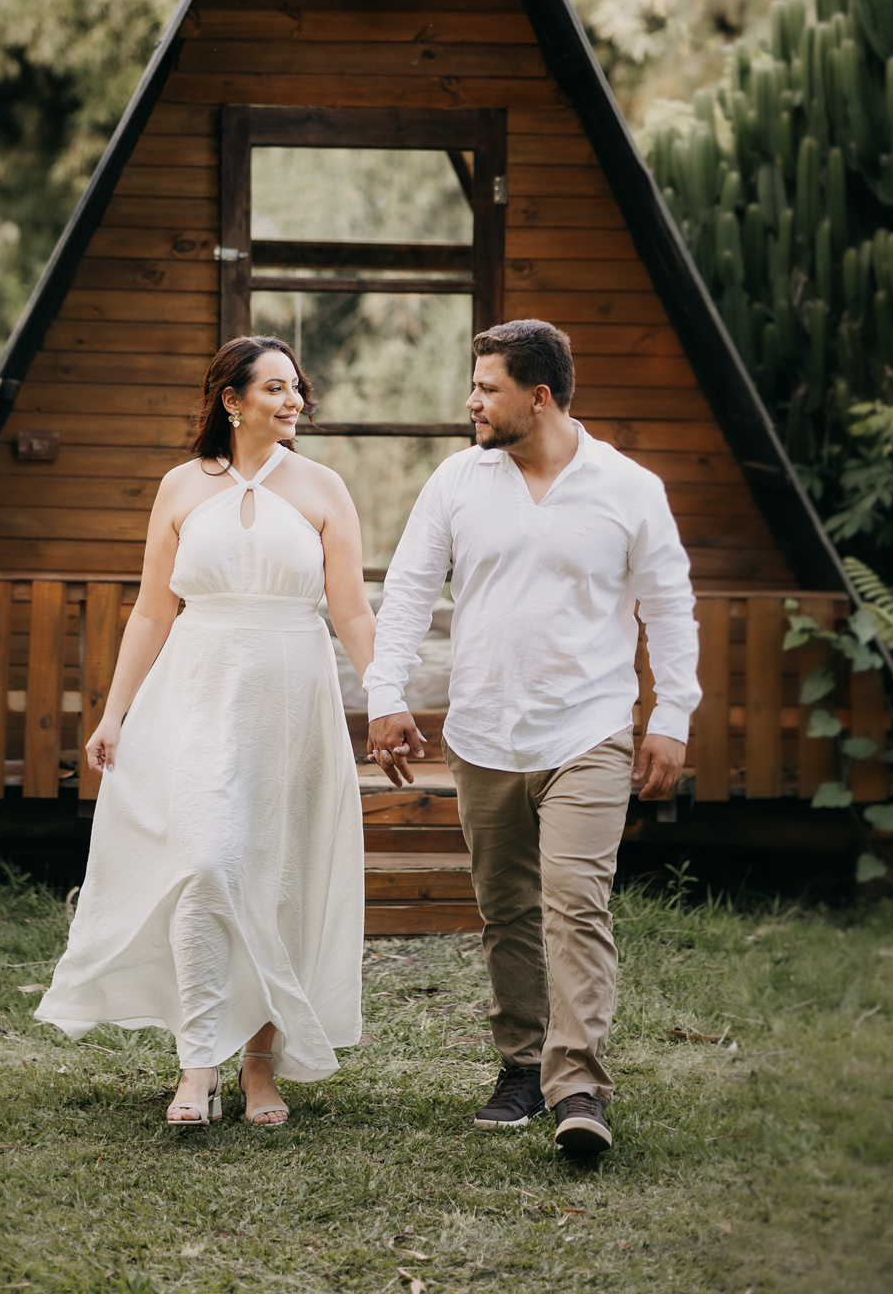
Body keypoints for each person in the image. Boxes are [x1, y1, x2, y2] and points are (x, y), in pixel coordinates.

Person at [365, 319, 700, 1157]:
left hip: (588, 730)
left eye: (487, 388)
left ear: (538, 396)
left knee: (576, 906)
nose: (471, 402)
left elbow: (668, 609)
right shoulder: (457, 481)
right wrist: (385, 696)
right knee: (506, 910)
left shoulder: (629, 488)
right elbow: (408, 592)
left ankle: (577, 1084)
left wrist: (671, 719)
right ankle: (521, 1065)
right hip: (483, 734)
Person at [36, 336, 373, 1128]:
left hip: (292, 699)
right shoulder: (182, 487)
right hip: (195, 693)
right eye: (276, 388)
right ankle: (197, 1063)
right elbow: (154, 610)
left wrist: (384, 701)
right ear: (232, 400)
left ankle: (260, 1065)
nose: (294, 401)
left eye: (297, 388)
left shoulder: (323, 488)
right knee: (205, 864)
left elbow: (352, 609)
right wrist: (115, 711)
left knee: (277, 877)